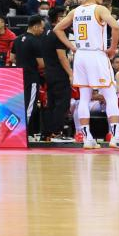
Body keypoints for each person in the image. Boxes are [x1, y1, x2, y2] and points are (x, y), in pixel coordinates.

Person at [54, 0, 119, 148]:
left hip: (81, 56)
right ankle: (115, 137)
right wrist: (113, 48)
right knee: (110, 95)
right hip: (96, 54)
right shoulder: (100, 9)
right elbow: (116, 26)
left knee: (84, 97)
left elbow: (57, 29)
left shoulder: (75, 11)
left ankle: (87, 139)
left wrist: (72, 47)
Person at [39, 8, 72, 142]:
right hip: (59, 73)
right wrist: (70, 74)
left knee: (51, 104)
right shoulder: (59, 33)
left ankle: (47, 133)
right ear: (58, 18)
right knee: (62, 104)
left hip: (49, 73)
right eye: (64, 16)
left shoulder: (46, 32)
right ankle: (57, 132)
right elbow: (61, 56)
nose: (67, 19)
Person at [11, 18, 45, 130]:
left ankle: (18, 131)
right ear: (35, 27)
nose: (42, 30)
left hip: (19, 77)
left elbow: (12, 58)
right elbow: (41, 64)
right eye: (42, 28)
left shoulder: (17, 39)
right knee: (29, 107)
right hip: (31, 77)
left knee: (20, 105)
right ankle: (22, 132)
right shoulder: (36, 41)